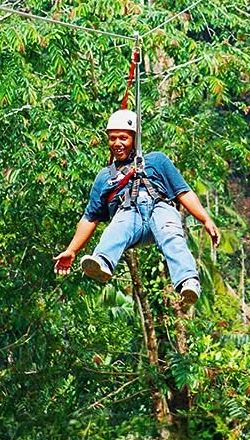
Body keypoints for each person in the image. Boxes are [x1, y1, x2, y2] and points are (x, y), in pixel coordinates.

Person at [53, 109, 219, 305]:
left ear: (135, 139)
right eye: (113, 138)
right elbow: (90, 217)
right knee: (117, 227)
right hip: (131, 218)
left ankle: (188, 281)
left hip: (160, 209)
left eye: (123, 137)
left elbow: (183, 192)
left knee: (170, 234)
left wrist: (205, 219)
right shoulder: (106, 177)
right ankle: (103, 262)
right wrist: (72, 250)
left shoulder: (157, 161)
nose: (117, 143)